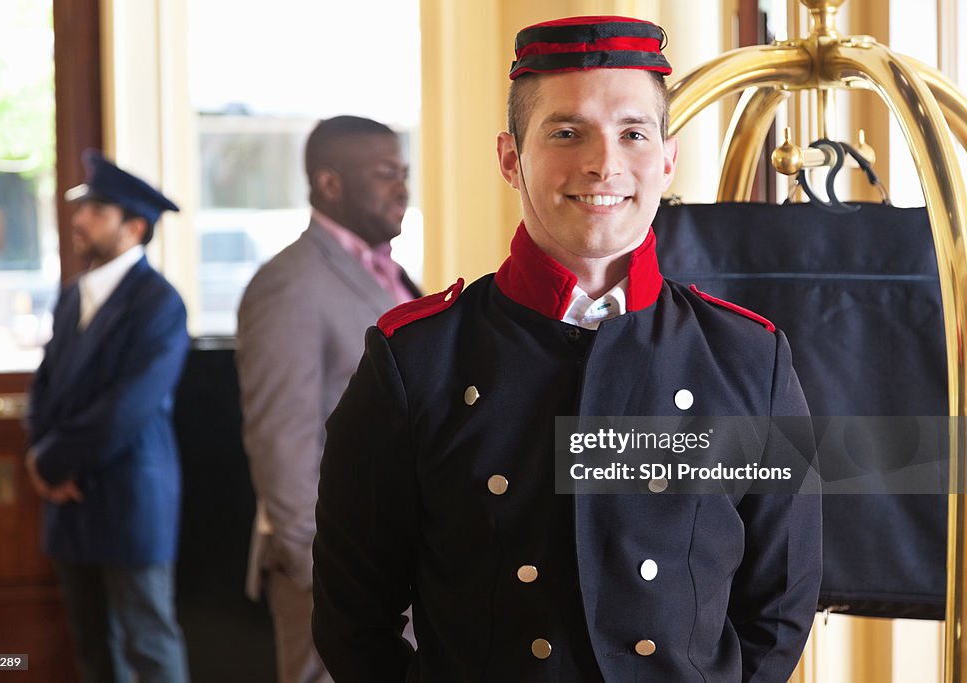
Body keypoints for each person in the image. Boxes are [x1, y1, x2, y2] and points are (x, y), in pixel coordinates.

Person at [312, 16, 822, 682]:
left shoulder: (751, 360)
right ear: (509, 157)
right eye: (566, 132)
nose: (604, 163)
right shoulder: (415, 361)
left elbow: (779, 607)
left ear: (666, 159)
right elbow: (353, 620)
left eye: (633, 133)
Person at [236, 115, 420, 683]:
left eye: (404, 172)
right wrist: (323, 570)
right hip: (330, 571)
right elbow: (280, 441)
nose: (402, 188)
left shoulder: (391, 272)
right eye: (385, 173)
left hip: (394, 563)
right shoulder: (289, 283)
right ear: (330, 183)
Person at [25, 150, 191, 682]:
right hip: (67, 499)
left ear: (134, 226)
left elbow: (128, 407)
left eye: (96, 210)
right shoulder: (72, 296)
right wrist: (42, 461)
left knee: (147, 642)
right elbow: (45, 386)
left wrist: (51, 461)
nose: (79, 219)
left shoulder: (160, 303)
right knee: (93, 649)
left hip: (129, 499)